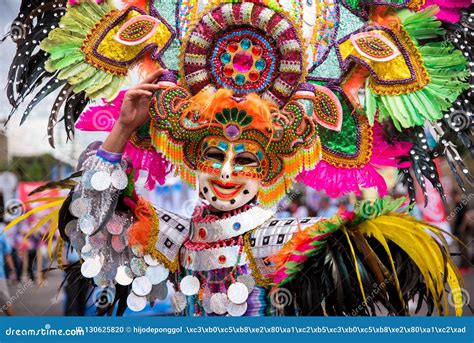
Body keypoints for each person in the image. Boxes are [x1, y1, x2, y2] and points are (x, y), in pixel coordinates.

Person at [4, 0, 472, 317]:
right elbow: (90, 227)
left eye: (246, 160)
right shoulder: (175, 238)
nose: (226, 173)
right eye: (213, 154)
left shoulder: (293, 241)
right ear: (191, 155)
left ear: (274, 166)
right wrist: (122, 130)